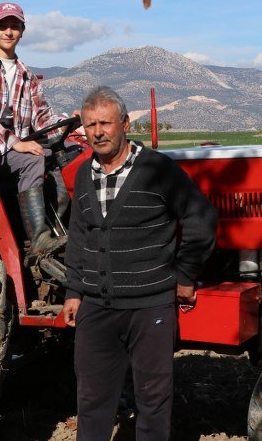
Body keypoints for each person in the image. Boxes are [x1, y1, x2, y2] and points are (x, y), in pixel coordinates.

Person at [62, 86, 217, 441]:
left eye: (105, 123)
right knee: (92, 399)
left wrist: (186, 274)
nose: (98, 132)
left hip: (149, 308)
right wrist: (73, 290)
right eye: (90, 125)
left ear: (125, 124)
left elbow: (201, 218)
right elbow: (80, 235)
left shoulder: (157, 169)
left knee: (153, 400)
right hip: (96, 307)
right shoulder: (84, 174)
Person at [0, 1, 66, 260]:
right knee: (33, 159)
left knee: (68, 156)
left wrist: (71, 124)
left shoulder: (27, 76)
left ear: (22, 30)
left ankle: (64, 231)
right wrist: (14, 143)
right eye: (2, 26)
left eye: (14, 26)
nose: (8, 32)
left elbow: (42, 118)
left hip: (18, 145)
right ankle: (38, 239)